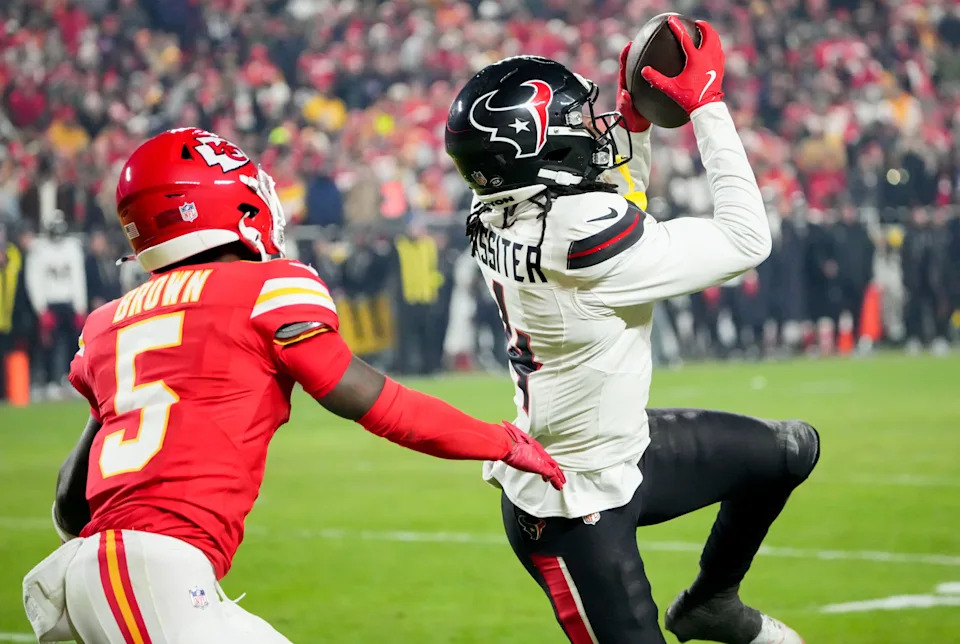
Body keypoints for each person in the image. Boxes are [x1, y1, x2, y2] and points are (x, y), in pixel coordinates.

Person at [22, 127, 565, 644]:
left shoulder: (108, 322)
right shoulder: (266, 286)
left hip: (128, 569)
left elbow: (72, 507)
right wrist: (504, 442)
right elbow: (374, 402)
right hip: (154, 570)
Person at [444, 18, 818, 644]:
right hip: (569, 504)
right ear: (543, 149)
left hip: (624, 453)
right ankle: (708, 601)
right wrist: (707, 108)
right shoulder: (577, 237)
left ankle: (711, 603)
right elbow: (748, 240)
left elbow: (614, 203)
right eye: (574, 122)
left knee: (787, 451)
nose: (594, 128)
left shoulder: (498, 207)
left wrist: (637, 128)